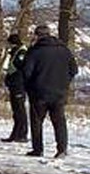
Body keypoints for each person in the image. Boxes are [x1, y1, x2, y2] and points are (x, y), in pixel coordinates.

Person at [22, 24, 79, 158]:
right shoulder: (64, 50)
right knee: (59, 122)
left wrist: (29, 85)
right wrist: (65, 82)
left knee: (37, 122)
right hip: (60, 92)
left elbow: (27, 72)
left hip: (38, 93)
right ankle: (62, 149)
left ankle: (38, 149)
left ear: (37, 36)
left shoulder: (34, 51)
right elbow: (74, 70)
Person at [1, 32, 29, 143]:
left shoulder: (21, 52)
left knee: (20, 110)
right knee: (16, 111)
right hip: (14, 85)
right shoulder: (15, 52)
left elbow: (18, 66)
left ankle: (22, 134)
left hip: (19, 85)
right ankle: (15, 134)